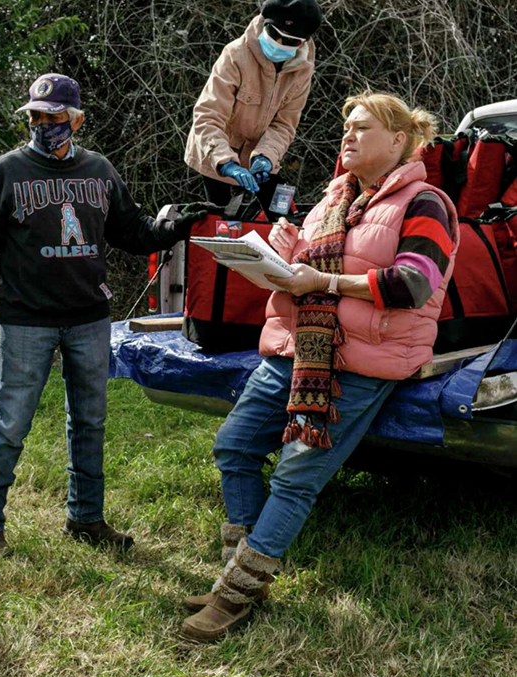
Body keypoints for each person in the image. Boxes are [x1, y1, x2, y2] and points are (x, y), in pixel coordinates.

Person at [181, 91, 460, 641]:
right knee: (234, 446)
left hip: (361, 359)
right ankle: (242, 574)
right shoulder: (333, 197)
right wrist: (283, 256)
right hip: (298, 347)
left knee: (295, 475)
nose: (347, 137)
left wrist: (322, 281)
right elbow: (308, 269)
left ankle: (234, 597)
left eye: (361, 128)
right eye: (345, 129)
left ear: (400, 140)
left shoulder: (428, 204)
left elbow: (412, 284)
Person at [0, 73, 207, 560]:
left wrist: (172, 229)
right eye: (35, 117)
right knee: (11, 423)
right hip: (27, 319)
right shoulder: (3, 173)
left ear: (77, 119)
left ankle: (86, 517)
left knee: (89, 421)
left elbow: (131, 231)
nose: (43, 125)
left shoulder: (100, 170)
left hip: (90, 317)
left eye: (54, 117)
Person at [184, 0, 321, 216]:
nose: (278, 43)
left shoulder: (303, 70)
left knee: (281, 214)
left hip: (260, 155)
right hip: (216, 150)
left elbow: (284, 124)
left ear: (303, 43)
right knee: (220, 221)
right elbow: (208, 116)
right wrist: (226, 162)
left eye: (289, 41)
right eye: (274, 33)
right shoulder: (235, 55)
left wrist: (265, 157)